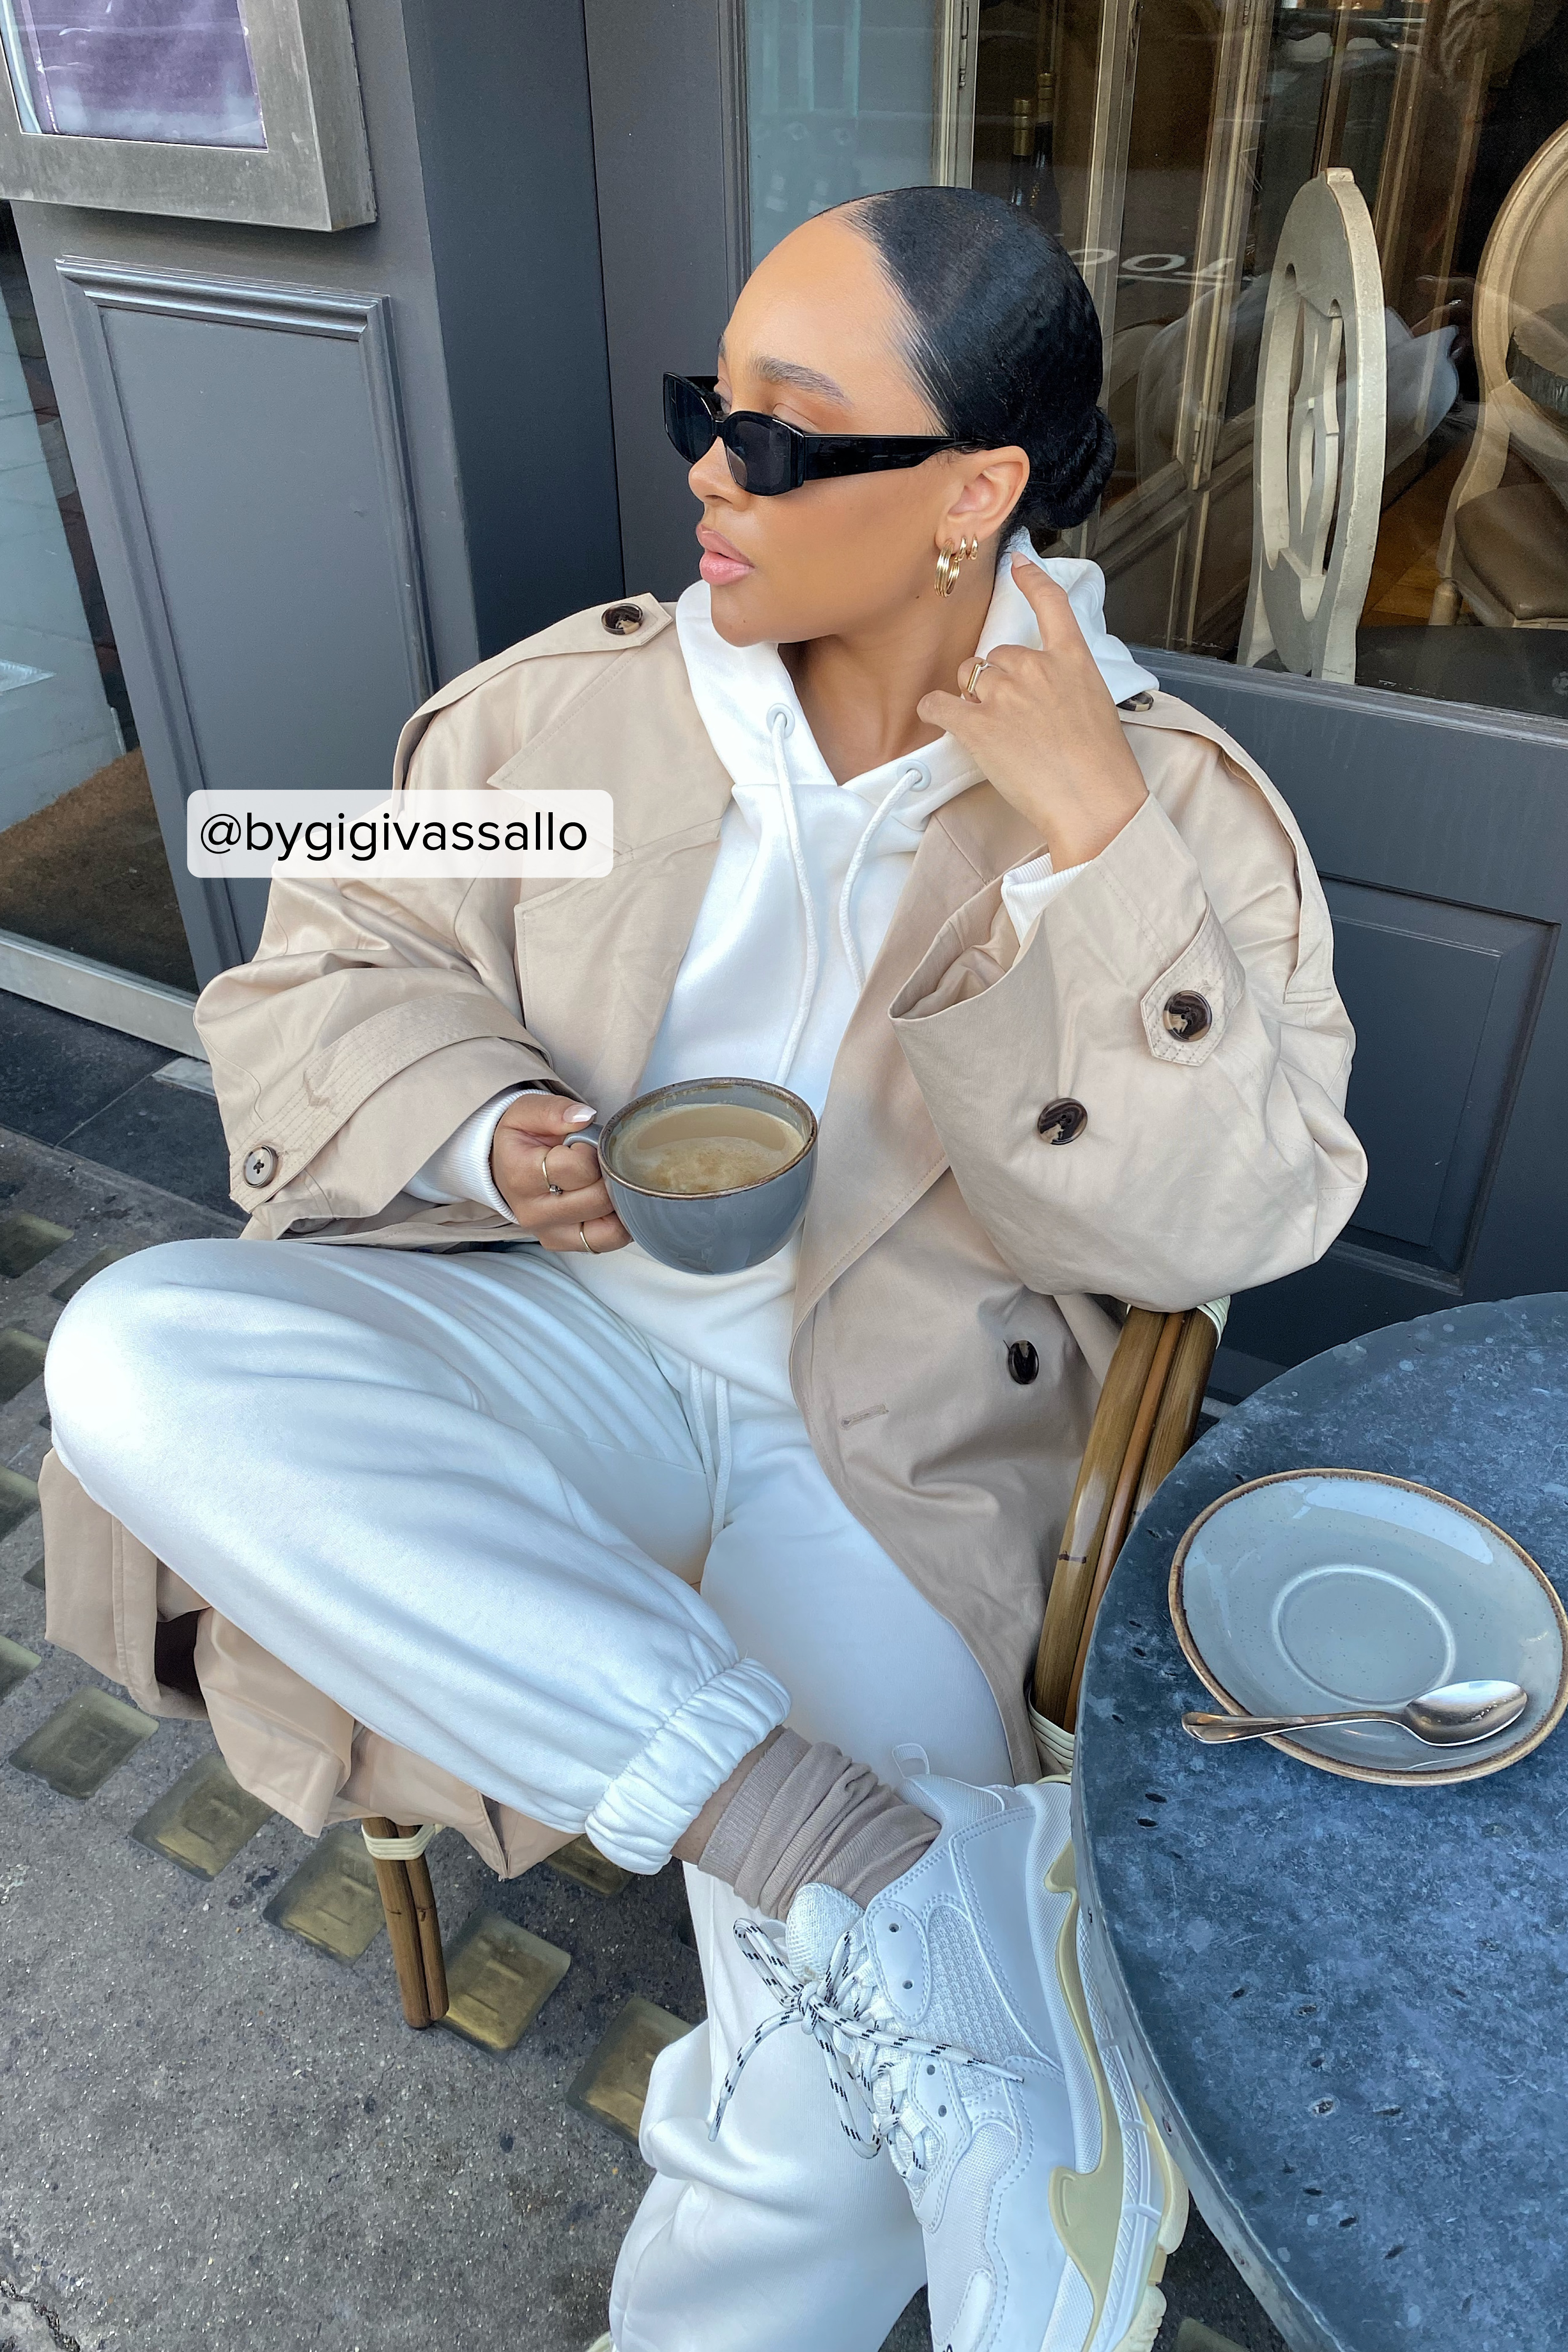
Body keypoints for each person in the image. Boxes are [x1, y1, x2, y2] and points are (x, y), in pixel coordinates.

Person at [43, 187, 1365, 2352]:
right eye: (704, 408)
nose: (708, 479)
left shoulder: (1175, 810)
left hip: (885, 1460)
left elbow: (1234, 1224)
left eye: (781, 434)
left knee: (832, 2112)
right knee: (133, 1350)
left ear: (975, 493)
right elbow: (324, 958)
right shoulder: (575, 723)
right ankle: (866, 1860)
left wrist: (1094, 846)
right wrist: (485, 1125)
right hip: (548, 1347)